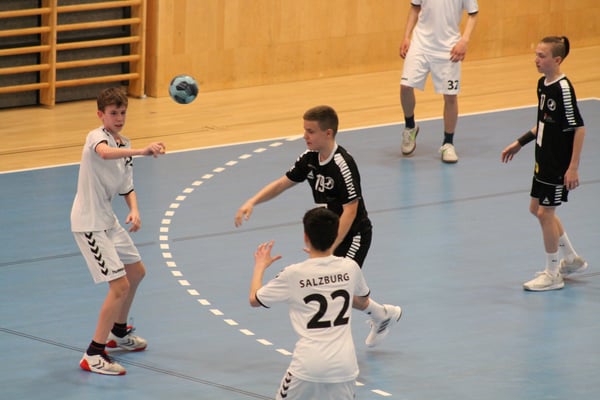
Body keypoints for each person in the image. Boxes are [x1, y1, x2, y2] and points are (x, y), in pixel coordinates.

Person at [235, 105, 401, 347]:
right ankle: (383, 315)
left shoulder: (343, 164)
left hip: (353, 234)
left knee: (341, 287)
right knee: (343, 290)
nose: (305, 136)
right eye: (304, 130)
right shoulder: (309, 158)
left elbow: (351, 210)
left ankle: (376, 319)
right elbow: (283, 183)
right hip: (328, 235)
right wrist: (253, 201)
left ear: (328, 133)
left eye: (310, 131)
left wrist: (329, 249)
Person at [71, 87, 166, 375]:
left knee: (136, 272)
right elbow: (105, 153)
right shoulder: (96, 137)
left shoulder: (125, 144)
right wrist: (143, 151)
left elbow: (127, 186)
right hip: (89, 223)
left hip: (108, 220)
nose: (119, 118)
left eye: (123, 112)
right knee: (119, 286)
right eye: (113, 113)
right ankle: (93, 354)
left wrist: (134, 210)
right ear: (101, 115)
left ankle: (118, 333)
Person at [249, 207, 387, 399]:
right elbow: (363, 300)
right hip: (345, 366)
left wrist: (260, 266)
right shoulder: (350, 267)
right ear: (335, 236)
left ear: (306, 237)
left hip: (308, 366)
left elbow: (255, 299)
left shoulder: (293, 273)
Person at [501, 36, 587, 291]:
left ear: (557, 60)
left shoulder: (563, 89)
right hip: (543, 160)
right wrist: (520, 142)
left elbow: (579, 128)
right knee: (535, 209)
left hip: (558, 163)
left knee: (544, 214)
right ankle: (571, 258)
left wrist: (572, 167)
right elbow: (543, 122)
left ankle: (552, 274)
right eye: (536, 54)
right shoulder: (543, 84)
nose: (536, 60)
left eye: (542, 56)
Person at [399, 0, 479, 163]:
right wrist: (406, 36)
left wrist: (464, 41)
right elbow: (415, 8)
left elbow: (473, 14)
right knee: (405, 87)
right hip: (420, 44)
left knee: (450, 97)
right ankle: (410, 126)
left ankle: (448, 143)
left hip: (448, 48)